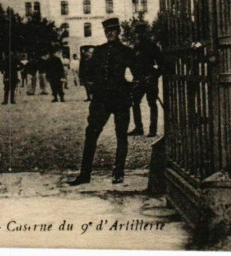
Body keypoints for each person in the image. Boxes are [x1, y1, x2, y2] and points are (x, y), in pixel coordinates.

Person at [68, 17, 136, 186]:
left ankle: (118, 173)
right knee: (91, 133)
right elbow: (87, 72)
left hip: (120, 99)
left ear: (118, 31)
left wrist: (130, 90)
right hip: (101, 100)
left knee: (121, 135)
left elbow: (137, 75)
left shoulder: (127, 52)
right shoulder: (99, 51)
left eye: (112, 30)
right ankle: (85, 174)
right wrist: (92, 87)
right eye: (107, 31)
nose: (109, 33)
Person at [129, 22, 165, 137]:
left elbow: (162, 65)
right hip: (139, 80)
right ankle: (138, 128)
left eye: (142, 32)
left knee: (152, 103)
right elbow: (132, 64)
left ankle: (153, 130)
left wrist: (153, 76)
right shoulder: (136, 47)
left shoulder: (153, 47)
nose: (140, 35)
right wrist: (135, 77)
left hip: (150, 80)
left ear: (146, 33)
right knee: (135, 102)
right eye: (138, 32)